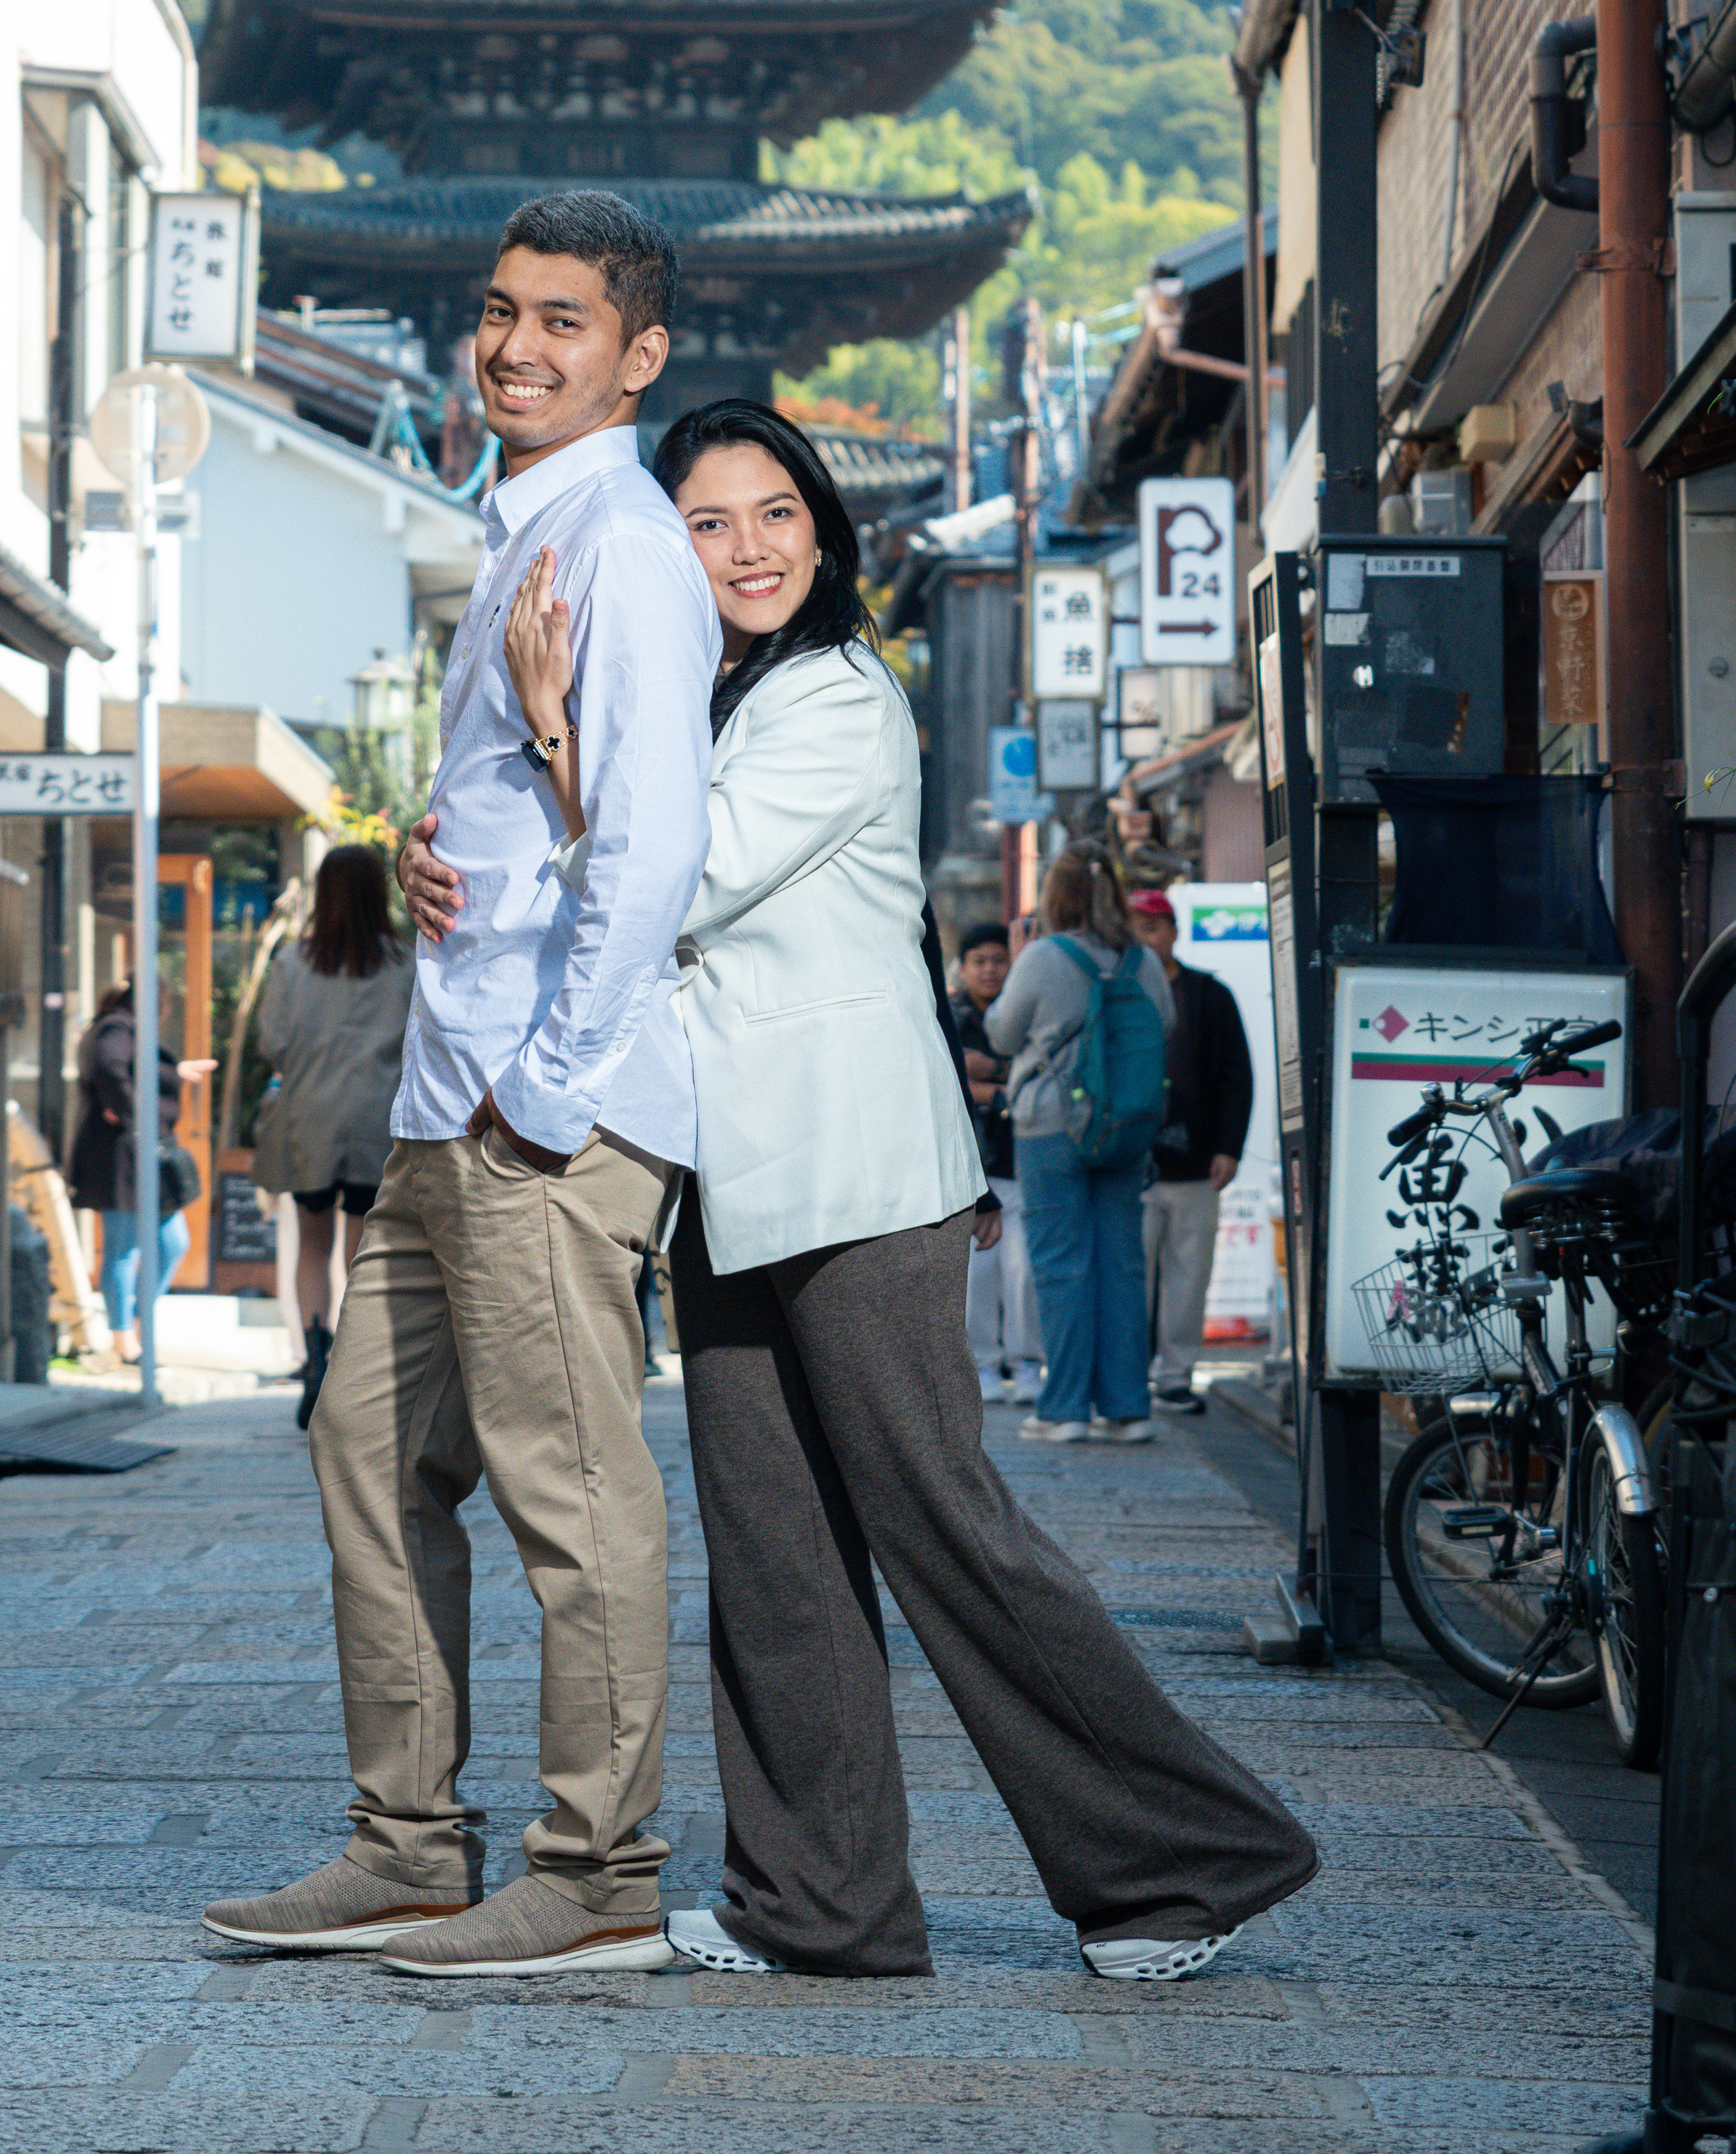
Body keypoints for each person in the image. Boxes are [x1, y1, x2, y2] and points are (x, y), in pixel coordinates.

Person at [441, 396, 1317, 1984]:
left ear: (825, 531)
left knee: (946, 1531)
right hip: (727, 1178)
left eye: (777, 512)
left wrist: (556, 738)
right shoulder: (712, 701)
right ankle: (816, 1903)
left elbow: (677, 879)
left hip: (849, 1173)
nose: (749, 547)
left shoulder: (838, 695)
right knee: (774, 1557)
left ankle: (1181, 1861)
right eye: (706, 522)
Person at [204, 190, 719, 1981]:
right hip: (444, 1102)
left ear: (638, 356)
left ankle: (602, 1873)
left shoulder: (627, 544)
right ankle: (409, 1845)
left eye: (563, 321)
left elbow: (657, 850)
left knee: (569, 1497)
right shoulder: (520, 531)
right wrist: (446, 861)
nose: (514, 345)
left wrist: (549, 1092)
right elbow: (549, 829)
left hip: (535, 1116)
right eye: (499, 311)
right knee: (366, 1460)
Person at [985, 850, 1172, 1445]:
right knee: (1123, 1264)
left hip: (1051, 1126)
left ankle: (1064, 1408)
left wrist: (1022, 966)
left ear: (1054, 897)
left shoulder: (1042, 956)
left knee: (1061, 1265)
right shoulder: (1141, 960)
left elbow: (1002, 1033)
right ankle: (1128, 1408)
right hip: (1126, 1124)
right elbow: (1164, 1025)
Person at [255, 843, 417, 1430]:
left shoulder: (294, 965)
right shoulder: (407, 962)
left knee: (312, 1245)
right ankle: (357, 1367)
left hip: (311, 1121)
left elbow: (270, 1042)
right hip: (381, 1122)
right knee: (363, 1250)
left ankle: (316, 1355)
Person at [1128, 885, 1254, 1415]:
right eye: (1134, 930)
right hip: (1132, 1164)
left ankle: (1175, 1376)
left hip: (1199, 1162)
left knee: (1188, 1277)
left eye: (1153, 928)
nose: (1145, 940)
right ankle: (1128, 1377)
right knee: (1133, 1279)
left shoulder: (1209, 995)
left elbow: (1236, 1076)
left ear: (1175, 931)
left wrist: (1230, 1146)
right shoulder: (1117, 991)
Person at [66, 981, 205, 1365]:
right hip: (121, 1154)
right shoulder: (116, 1027)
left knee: (171, 1242)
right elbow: (112, 1069)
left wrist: (174, 1070)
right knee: (123, 1247)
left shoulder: (120, 1028)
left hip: (138, 1152)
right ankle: (124, 1338)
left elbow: (130, 1068)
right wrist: (129, 1111)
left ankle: (141, 1325)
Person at [949, 921, 1040, 1407]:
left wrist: (993, 1082)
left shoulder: (1024, 1009)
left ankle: (1027, 1362)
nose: (989, 970)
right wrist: (1000, 1090)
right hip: (968, 1166)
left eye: (998, 960)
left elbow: (1041, 1067)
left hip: (1020, 1160)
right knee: (977, 1274)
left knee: (1023, 1269)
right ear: (962, 969)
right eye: (979, 962)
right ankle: (982, 1362)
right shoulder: (947, 1013)